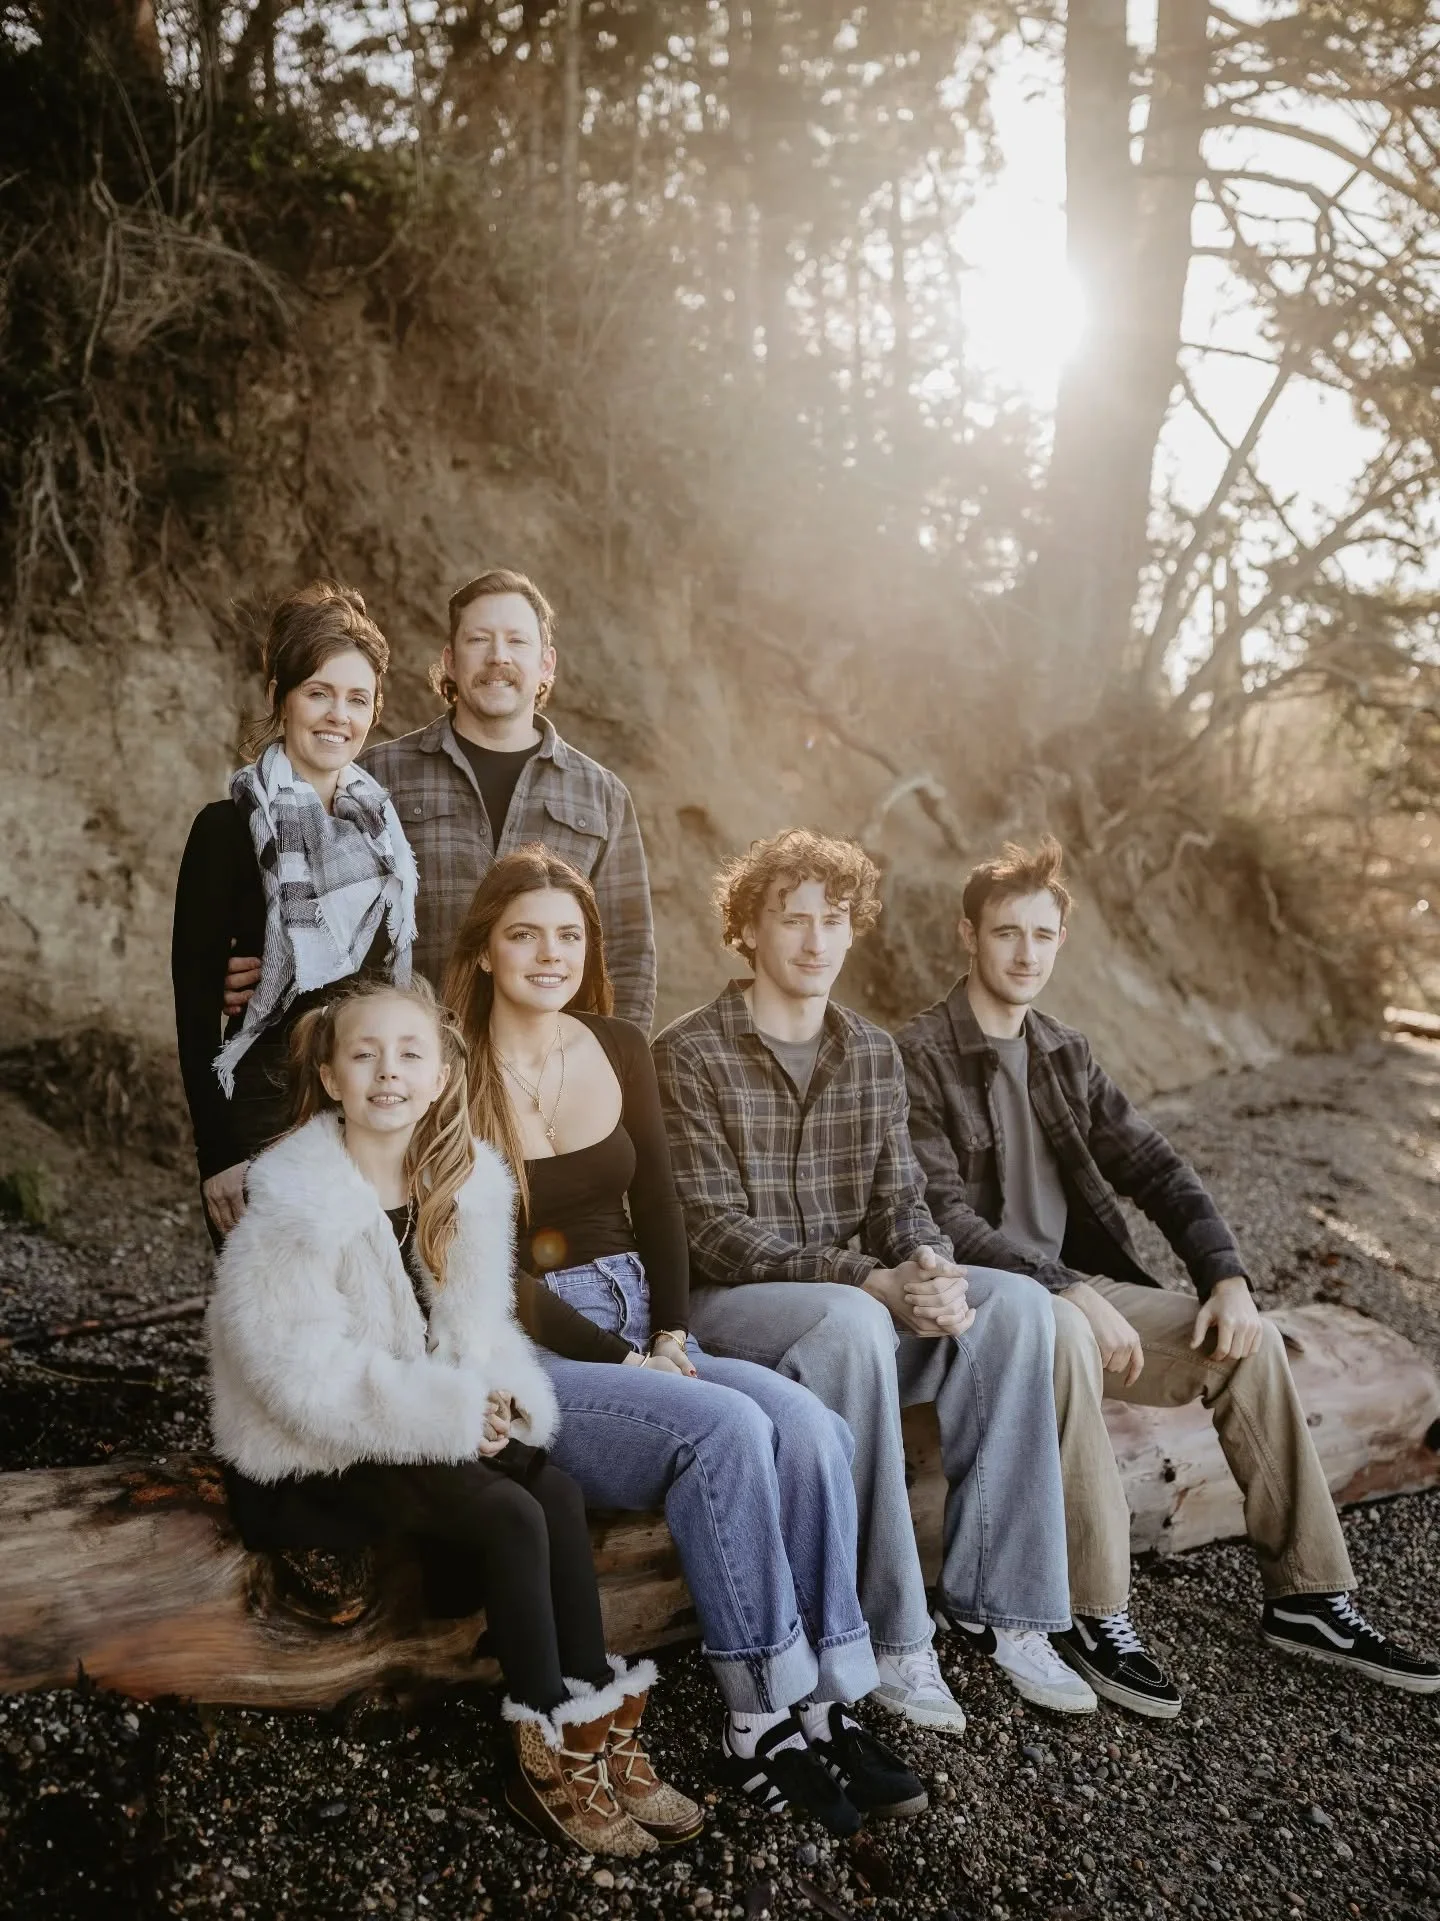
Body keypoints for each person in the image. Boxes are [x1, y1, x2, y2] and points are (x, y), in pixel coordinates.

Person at [445, 847, 928, 1835]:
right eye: (526, 934)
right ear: (486, 950)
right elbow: (487, 1269)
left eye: (570, 935)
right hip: (527, 1347)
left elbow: (659, 1208)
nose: (552, 954)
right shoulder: (447, 1069)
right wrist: (627, 1358)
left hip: (640, 1320)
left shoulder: (618, 1045)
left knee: (811, 1428)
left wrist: (667, 1328)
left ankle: (823, 1702)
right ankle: (756, 1724)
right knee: (724, 1433)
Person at [897, 836, 1440, 1713]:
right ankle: (1092, 1608)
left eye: (1041, 934)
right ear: (967, 936)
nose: (1025, 952)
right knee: (1067, 1323)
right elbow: (943, 1217)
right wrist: (1062, 1286)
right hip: (985, 1305)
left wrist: (1226, 1276)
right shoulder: (915, 1055)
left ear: (1061, 939)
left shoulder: (1063, 1054)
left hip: (1077, 1289)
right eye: (1005, 933)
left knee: (1244, 1347)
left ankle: (1309, 1596)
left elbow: (1157, 1168)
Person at [209, 976, 697, 1855]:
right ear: (329, 1075)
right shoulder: (294, 1202)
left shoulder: (464, 1184)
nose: (386, 1073)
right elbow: (300, 1378)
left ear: (440, 1076)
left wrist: (496, 1390)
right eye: (363, 1055)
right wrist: (447, 1415)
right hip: (308, 1451)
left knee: (551, 1487)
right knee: (508, 1509)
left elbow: (479, 1328)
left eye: (409, 1055)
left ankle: (595, 1720)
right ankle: (541, 1745)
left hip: (411, 1425)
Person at [652, 830, 1096, 1728]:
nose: (816, 940)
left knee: (1011, 1306)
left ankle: (1004, 1611)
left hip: (851, 1303)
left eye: (835, 920)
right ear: (747, 931)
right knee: (855, 1321)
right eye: (793, 919)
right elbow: (709, 1232)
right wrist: (873, 1280)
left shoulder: (871, 1052)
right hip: (730, 1313)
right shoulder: (687, 1053)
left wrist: (929, 1264)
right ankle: (892, 1636)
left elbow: (902, 1200)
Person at [227, 567, 656, 1026]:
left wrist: (613, 1067)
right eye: (478, 640)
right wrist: (245, 959)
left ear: (546, 663)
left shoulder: (602, 796)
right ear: (450, 660)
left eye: (516, 641)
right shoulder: (376, 777)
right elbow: (315, 910)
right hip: (412, 1068)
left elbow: (628, 953)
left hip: (548, 1076)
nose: (497, 657)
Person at [172, 582, 417, 1246]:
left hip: (368, 1111)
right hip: (263, 1115)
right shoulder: (226, 830)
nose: (339, 714)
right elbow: (195, 1014)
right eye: (319, 692)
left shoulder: (383, 835)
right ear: (282, 696)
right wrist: (217, 1156)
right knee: (277, 1330)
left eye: (357, 698)